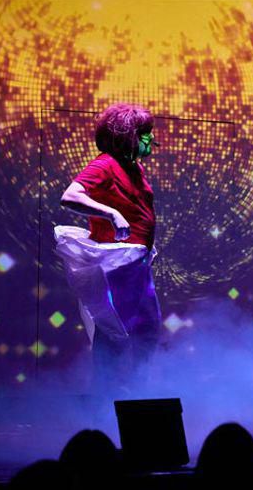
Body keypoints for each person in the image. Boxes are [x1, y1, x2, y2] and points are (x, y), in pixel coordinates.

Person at [56, 102, 161, 396]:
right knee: (115, 329)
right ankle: (103, 396)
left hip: (136, 262)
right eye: (145, 133)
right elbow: (70, 196)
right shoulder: (105, 164)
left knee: (147, 329)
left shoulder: (134, 168)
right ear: (128, 135)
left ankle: (134, 392)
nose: (151, 139)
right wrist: (111, 214)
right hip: (119, 263)